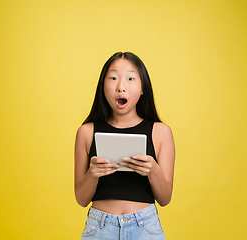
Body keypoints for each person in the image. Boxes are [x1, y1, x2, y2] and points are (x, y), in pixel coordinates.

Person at [74, 52, 175, 240]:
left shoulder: (161, 133)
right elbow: (81, 199)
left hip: (145, 228)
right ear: (103, 86)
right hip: (99, 228)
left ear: (143, 87)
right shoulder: (86, 133)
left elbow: (165, 199)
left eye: (130, 78)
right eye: (113, 78)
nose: (121, 87)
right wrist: (92, 174)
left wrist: (153, 171)